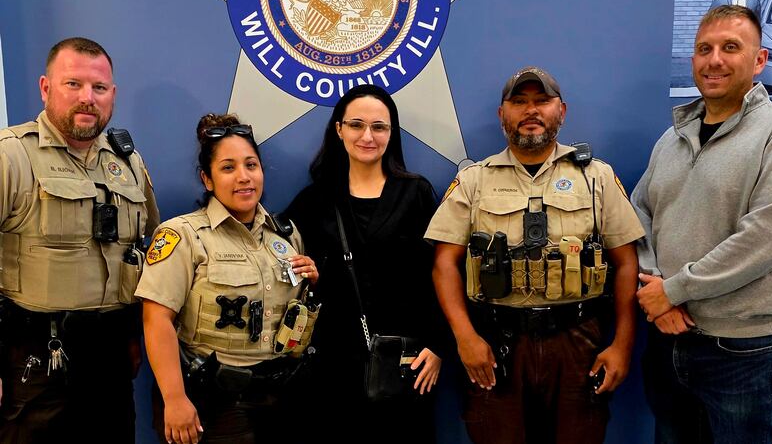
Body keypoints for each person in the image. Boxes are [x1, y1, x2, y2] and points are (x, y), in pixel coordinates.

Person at [425, 66, 644, 444]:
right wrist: (465, 338)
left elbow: (626, 264)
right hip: (495, 342)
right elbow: (444, 264)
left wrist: (622, 344)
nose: (531, 111)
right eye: (519, 102)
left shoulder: (597, 177)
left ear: (562, 111)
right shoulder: (475, 180)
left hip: (577, 342)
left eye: (542, 101)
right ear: (501, 114)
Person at [631, 5, 772, 444]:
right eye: (704, 49)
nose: (715, 60)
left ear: (759, 60)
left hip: (743, 350)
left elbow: (765, 238)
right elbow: (640, 212)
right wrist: (658, 288)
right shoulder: (672, 137)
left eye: (731, 48)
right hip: (668, 341)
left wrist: (671, 292)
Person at [0, 37, 159, 443]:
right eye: (73, 84)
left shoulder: (129, 163)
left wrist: (132, 337)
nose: (87, 98)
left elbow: (144, 253)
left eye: (99, 88)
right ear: (45, 87)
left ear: (112, 95)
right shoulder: (12, 157)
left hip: (112, 359)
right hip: (36, 358)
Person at [135, 113, 319, 444]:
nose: (244, 177)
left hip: (281, 397)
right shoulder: (184, 236)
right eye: (228, 167)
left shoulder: (287, 236)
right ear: (207, 179)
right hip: (213, 401)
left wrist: (311, 283)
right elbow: (156, 319)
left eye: (251, 165)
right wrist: (174, 400)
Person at [283, 84, 446, 444]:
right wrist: (308, 271)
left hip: (406, 364)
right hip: (332, 366)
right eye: (356, 125)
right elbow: (277, 258)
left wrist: (437, 347)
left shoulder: (416, 192)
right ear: (338, 129)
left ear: (392, 133)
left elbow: (439, 275)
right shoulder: (316, 199)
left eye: (379, 127)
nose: (367, 136)